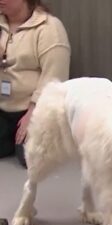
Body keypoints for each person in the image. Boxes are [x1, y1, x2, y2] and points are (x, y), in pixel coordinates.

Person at [0, 0, 70, 167]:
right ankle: (10, 137)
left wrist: (33, 113)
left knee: (30, 157)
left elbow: (55, 77)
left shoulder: (49, 27)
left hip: (34, 108)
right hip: (3, 107)